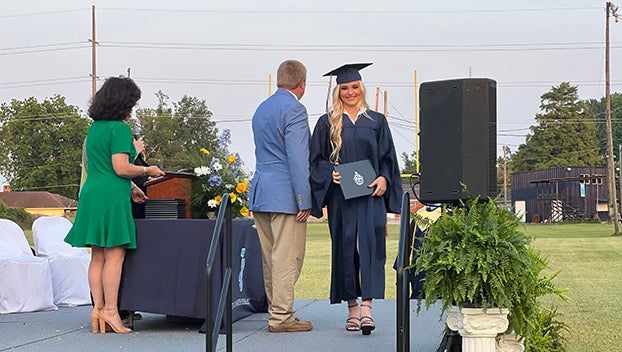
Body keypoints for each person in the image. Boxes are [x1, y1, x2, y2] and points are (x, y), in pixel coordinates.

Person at [64, 76, 165, 334]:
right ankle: (111, 310)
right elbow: (120, 168)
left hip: (92, 194)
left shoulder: (94, 128)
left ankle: (97, 309)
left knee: (97, 255)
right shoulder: (120, 129)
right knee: (115, 256)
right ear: (124, 103)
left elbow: (100, 166)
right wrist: (147, 169)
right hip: (111, 197)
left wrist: (131, 190)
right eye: (132, 102)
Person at [309, 63, 403, 335]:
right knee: (346, 250)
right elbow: (315, 161)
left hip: (370, 197)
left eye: (354, 87)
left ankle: (367, 310)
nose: (350, 92)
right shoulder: (326, 122)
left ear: (360, 88)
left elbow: (388, 160)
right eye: (344, 88)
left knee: (369, 250)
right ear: (337, 91)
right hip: (342, 199)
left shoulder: (376, 121)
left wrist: (385, 179)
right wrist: (331, 173)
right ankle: (352, 309)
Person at [248, 59, 313, 333]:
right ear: (302, 83)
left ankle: (276, 310)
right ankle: (282, 317)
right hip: (286, 196)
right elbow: (298, 159)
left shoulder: (261, 109)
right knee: (288, 258)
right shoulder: (295, 110)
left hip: (261, 192)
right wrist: (304, 199)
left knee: (270, 258)